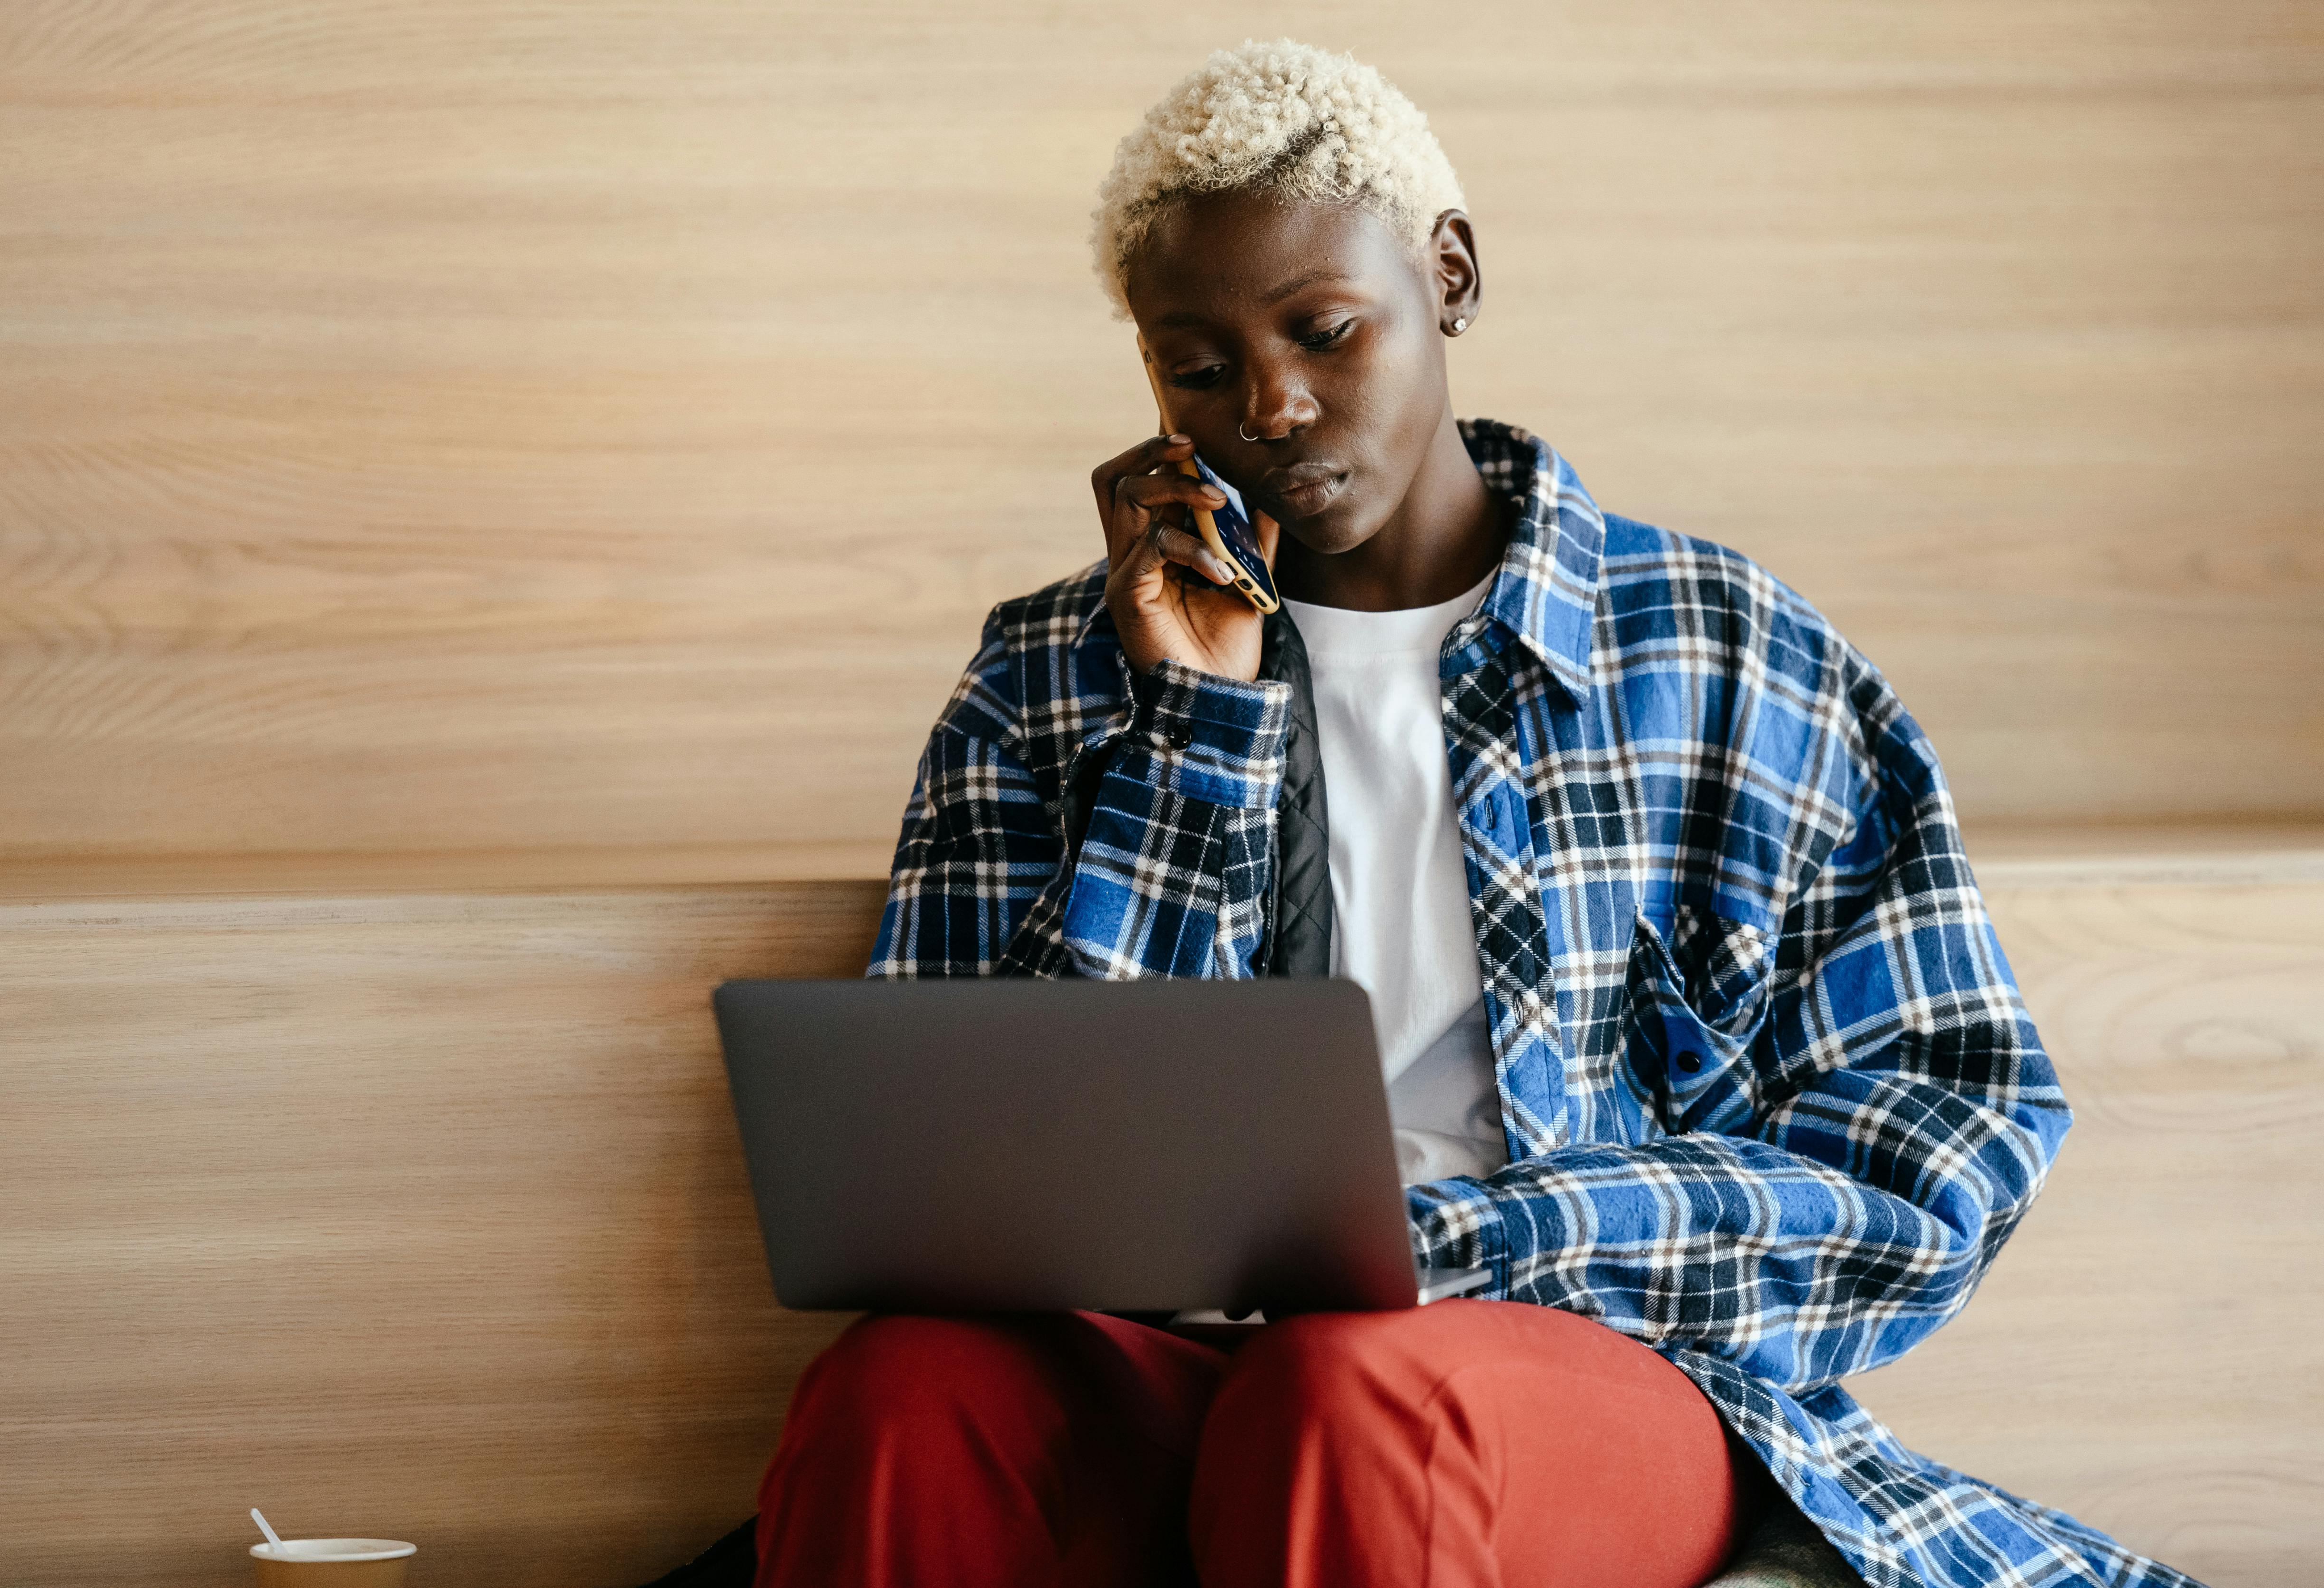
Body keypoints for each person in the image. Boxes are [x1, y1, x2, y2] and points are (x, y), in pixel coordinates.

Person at [747, 39, 2201, 1588]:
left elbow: (1946, 1138)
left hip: (1567, 1377)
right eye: (1198, 366)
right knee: (897, 1395)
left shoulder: (1722, 651)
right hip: (1167, 1363)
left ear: (1448, 275)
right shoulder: (1050, 670)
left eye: (1325, 331)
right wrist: (1196, 734)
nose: (1275, 408)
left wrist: (1460, 1247)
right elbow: (951, 1172)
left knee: (1351, 1388)